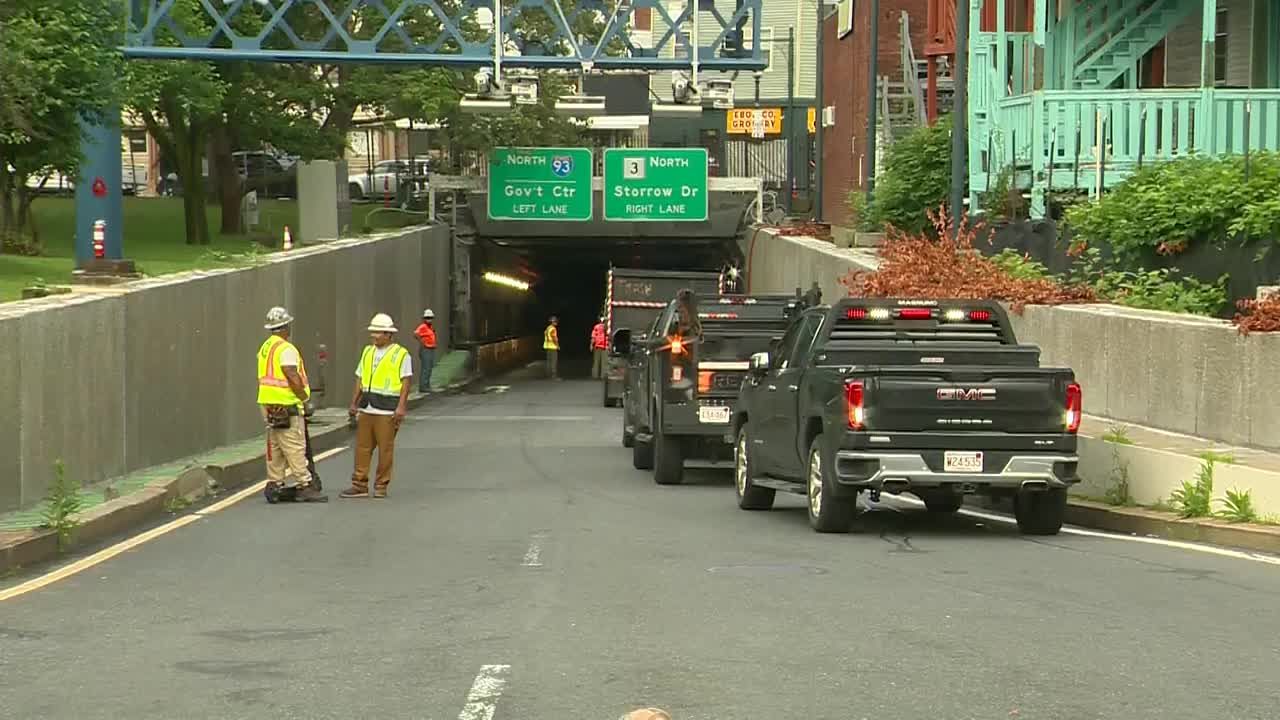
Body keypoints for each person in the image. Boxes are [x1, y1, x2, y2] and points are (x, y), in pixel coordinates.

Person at [257, 306, 326, 502]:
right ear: (286, 326)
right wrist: (304, 396)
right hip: (286, 403)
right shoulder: (286, 349)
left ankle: (275, 484)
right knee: (294, 444)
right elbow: (291, 374)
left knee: (276, 444)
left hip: (267, 402)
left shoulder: (265, 348)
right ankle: (305, 484)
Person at [341, 313, 412, 499]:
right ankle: (359, 484)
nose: (373, 336)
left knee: (385, 449)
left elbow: (406, 382)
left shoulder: (401, 354)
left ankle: (381, 485)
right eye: (372, 332)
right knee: (362, 448)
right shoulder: (368, 351)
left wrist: (401, 407)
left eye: (377, 332)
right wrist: (354, 403)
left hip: (387, 409)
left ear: (388, 334)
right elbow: (360, 378)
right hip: (367, 407)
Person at [414, 308, 437, 394]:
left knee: (429, 367)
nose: (429, 319)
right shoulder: (423, 326)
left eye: (430, 318)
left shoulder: (430, 327)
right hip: (426, 349)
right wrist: (422, 342)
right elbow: (416, 333)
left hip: (430, 348)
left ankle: (427, 385)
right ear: (424, 318)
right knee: (426, 368)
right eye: (427, 318)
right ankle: (423, 386)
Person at [543, 315, 560, 380]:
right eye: (555, 321)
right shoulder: (553, 329)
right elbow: (554, 338)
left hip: (548, 347)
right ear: (553, 322)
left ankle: (548, 375)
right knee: (553, 361)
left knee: (549, 361)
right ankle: (553, 375)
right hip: (553, 347)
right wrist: (557, 345)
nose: (556, 322)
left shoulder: (548, 328)